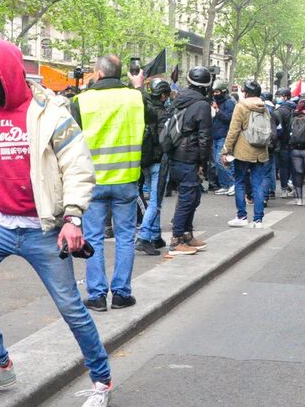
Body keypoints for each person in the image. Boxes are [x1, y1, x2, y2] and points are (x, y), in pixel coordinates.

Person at [0, 41, 113, 407]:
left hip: (43, 228)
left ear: (8, 71)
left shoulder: (51, 113)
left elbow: (77, 167)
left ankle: (101, 382)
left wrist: (73, 218)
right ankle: (0, 366)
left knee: (71, 308)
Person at [70, 55, 147, 311]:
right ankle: (122, 293)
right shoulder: (136, 97)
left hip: (93, 180)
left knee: (93, 237)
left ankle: (97, 295)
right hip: (126, 177)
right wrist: (138, 86)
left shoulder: (81, 101)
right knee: (125, 236)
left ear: (98, 74)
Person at [163, 67, 215, 259]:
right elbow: (204, 137)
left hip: (176, 153)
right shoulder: (202, 105)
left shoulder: (179, 98)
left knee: (191, 195)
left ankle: (186, 234)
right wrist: (203, 161)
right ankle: (177, 239)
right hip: (190, 155)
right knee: (188, 196)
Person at [222, 79, 272, 228]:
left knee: (240, 183)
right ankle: (258, 220)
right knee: (257, 185)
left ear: (246, 92)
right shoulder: (264, 107)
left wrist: (226, 150)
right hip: (261, 151)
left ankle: (242, 216)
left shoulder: (241, 106)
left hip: (243, 150)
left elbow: (234, 130)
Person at [135, 77, 172, 256]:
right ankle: (144, 237)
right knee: (156, 202)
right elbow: (164, 140)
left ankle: (155, 236)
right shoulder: (162, 114)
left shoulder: (144, 110)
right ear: (163, 95)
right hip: (158, 161)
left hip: (144, 161)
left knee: (152, 198)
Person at [209, 79, 235, 195]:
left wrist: (217, 110)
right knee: (217, 161)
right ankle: (225, 185)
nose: (215, 94)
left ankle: (232, 183)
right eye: (214, 92)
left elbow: (229, 118)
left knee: (221, 161)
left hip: (223, 135)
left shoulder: (229, 103)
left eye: (217, 92)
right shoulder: (214, 102)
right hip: (215, 135)